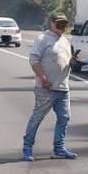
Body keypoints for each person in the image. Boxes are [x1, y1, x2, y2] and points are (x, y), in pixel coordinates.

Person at [23, 14, 78, 161]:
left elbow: (64, 61)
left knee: (64, 118)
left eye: (64, 24)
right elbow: (34, 60)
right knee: (37, 118)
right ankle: (27, 148)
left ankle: (59, 149)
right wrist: (43, 78)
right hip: (46, 88)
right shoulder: (43, 39)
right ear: (52, 23)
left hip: (63, 87)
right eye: (59, 23)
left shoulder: (65, 41)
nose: (62, 27)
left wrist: (72, 61)